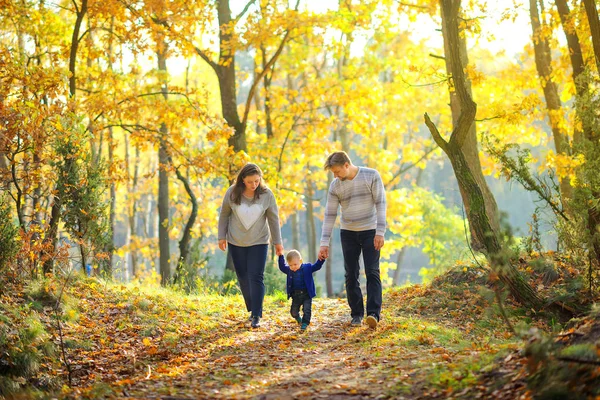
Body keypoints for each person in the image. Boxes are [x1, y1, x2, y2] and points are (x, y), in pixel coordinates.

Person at [318, 151, 386, 329]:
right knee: (351, 274)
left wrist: (380, 231)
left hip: (370, 230)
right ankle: (356, 314)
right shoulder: (335, 186)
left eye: (337, 171)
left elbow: (381, 203)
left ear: (347, 165)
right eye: (333, 172)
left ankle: (373, 314)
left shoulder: (371, 175)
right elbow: (330, 215)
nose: (335, 175)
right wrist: (324, 243)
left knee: (372, 271)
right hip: (348, 232)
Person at [218, 163, 284, 328]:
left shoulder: (267, 194)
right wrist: (221, 237)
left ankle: (256, 314)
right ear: (242, 180)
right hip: (236, 241)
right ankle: (252, 307)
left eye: (256, 181)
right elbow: (224, 214)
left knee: (256, 276)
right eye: (250, 182)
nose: (254, 185)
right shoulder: (232, 193)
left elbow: (273, 219)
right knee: (242, 277)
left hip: (259, 241)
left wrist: (278, 242)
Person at [278, 249, 325, 331]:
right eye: (290, 265)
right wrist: (280, 256)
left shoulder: (307, 268)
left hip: (306, 294)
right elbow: (282, 267)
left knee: (307, 310)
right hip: (295, 295)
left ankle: (305, 323)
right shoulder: (289, 270)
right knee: (293, 312)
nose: (293, 267)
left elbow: (317, 266)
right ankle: (298, 318)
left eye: (295, 264)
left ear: (301, 261)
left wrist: (321, 259)